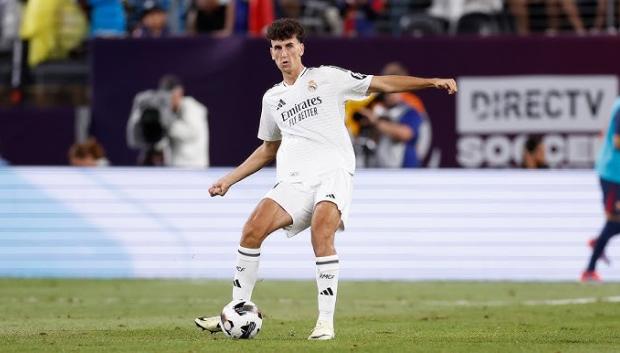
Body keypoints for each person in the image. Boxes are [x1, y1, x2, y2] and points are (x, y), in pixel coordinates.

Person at [193, 18, 456, 340]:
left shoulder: (328, 77)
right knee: (251, 231)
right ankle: (237, 309)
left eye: (290, 46)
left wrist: (431, 81)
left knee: (321, 231)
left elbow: (383, 83)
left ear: (301, 47)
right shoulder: (272, 99)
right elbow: (267, 150)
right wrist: (228, 180)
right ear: (271, 54)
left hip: (333, 172)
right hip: (294, 181)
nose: (284, 53)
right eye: (277, 48)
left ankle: (324, 323)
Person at [126, 74, 209, 168]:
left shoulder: (190, 106)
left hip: (195, 168)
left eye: (169, 95)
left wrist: (167, 123)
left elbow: (192, 132)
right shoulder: (170, 113)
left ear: (179, 93)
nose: (167, 100)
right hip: (176, 168)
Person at [581, 96, 620, 282]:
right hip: (613, 174)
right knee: (614, 220)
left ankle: (599, 242)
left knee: (616, 222)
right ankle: (589, 270)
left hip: (613, 171)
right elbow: (618, 141)